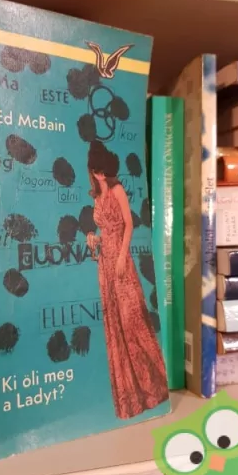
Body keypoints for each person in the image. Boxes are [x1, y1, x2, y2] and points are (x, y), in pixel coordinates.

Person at [86, 141, 169, 419]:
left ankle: (156, 386)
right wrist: (94, 239)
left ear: (107, 168)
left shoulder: (118, 189)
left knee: (133, 321)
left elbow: (129, 224)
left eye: (102, 170)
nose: (100, 175)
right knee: (115, 326)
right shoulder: (96, 197)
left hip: (121, 262)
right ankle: (131, 401)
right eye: (95, 171)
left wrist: (123, 255)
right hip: (105, 266)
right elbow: (105, 231)